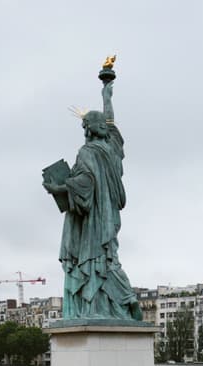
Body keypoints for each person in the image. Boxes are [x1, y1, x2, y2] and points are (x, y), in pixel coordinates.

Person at [43, 80, 142, 321]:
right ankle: (126, 301)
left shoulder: (87, 153)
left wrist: (59, 187)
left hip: (92, 223)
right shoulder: (112, 150)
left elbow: (85, 183)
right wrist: (107, 97)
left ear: (88, 129)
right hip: (108, 219)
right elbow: (111, 126)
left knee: (93, 262)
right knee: (108, 261)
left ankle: (107, 305)